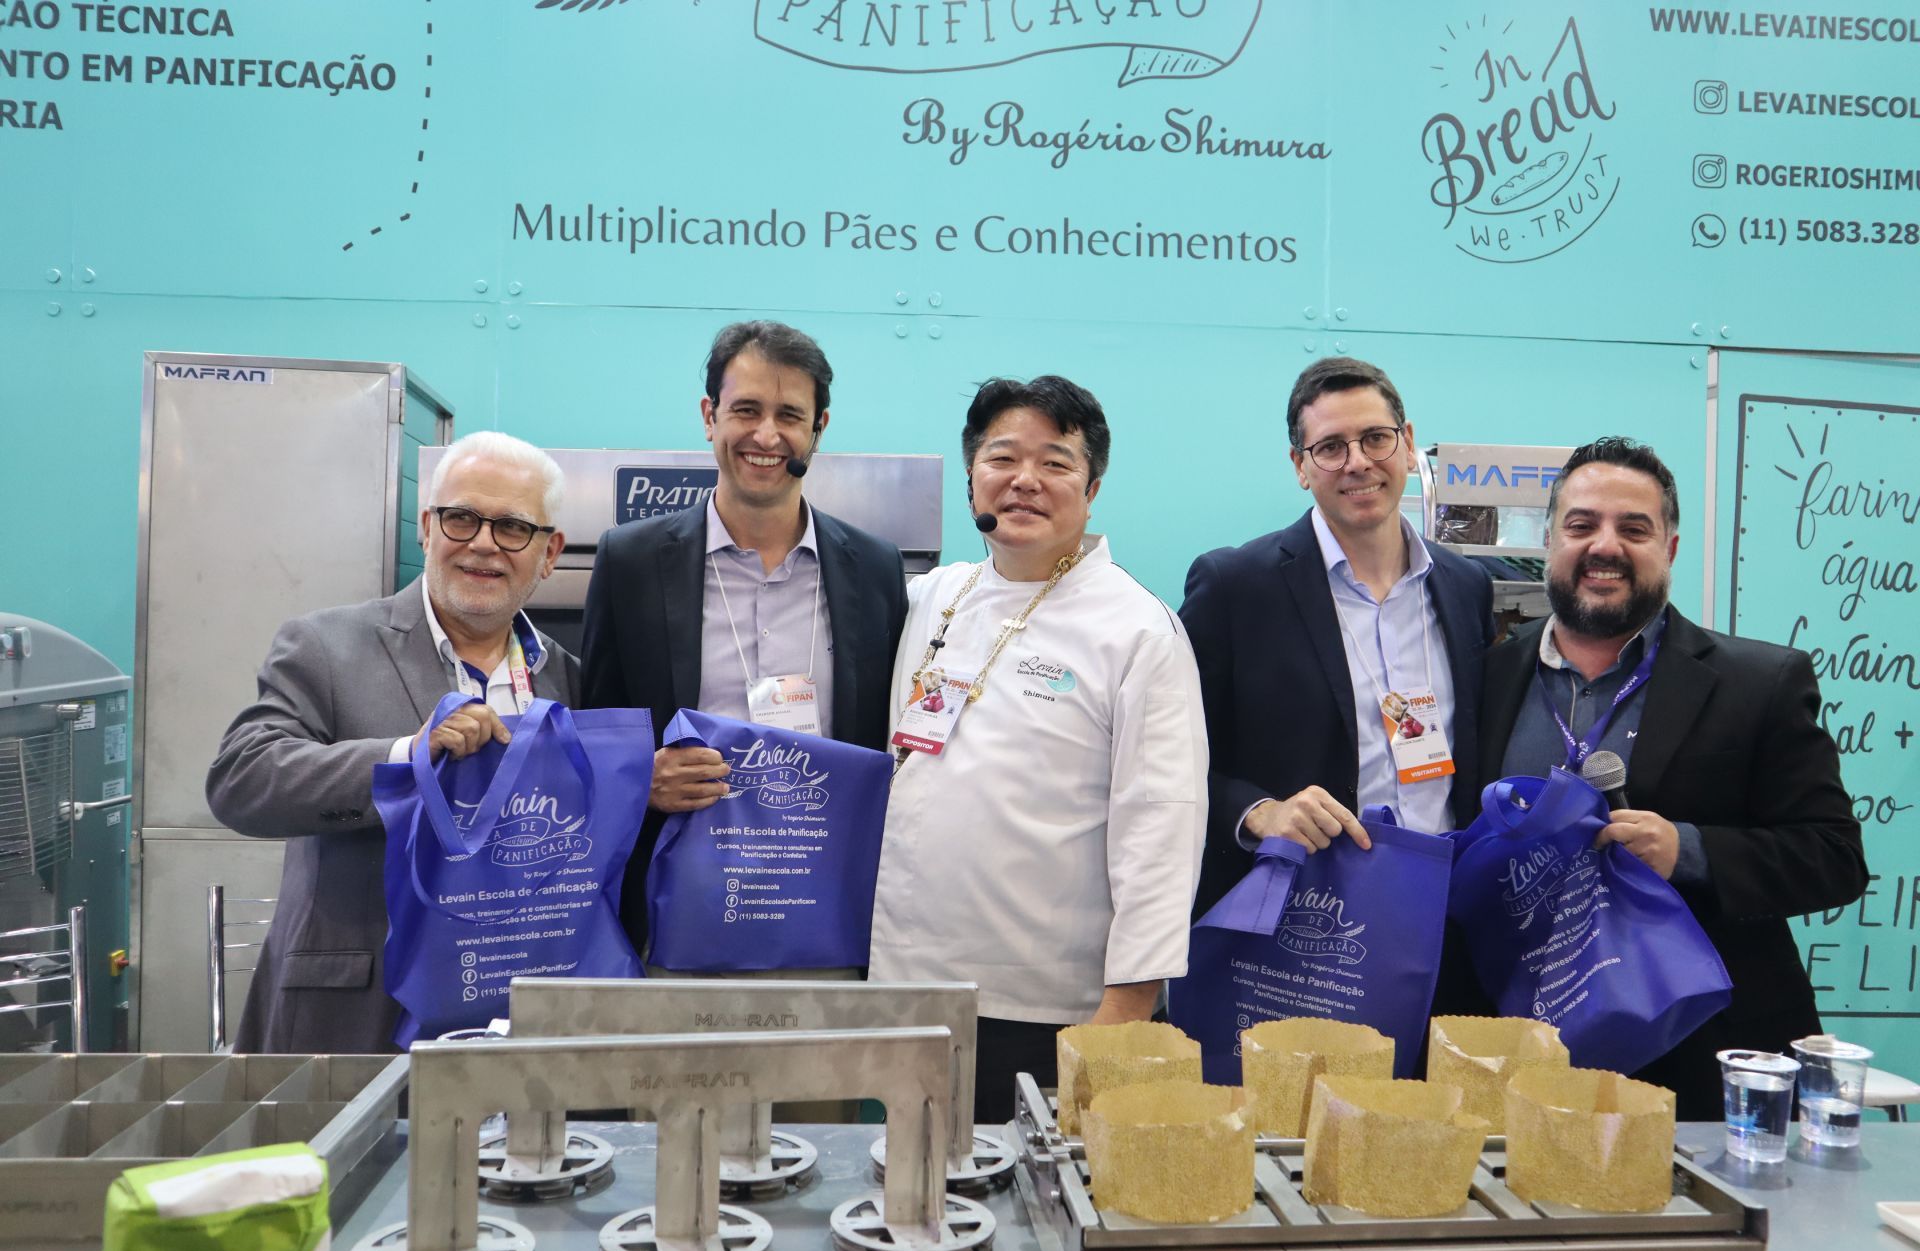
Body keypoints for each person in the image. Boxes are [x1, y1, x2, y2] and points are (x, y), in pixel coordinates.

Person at [1477, 436, 1867, 1118]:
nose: (1605, 546)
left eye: (1634, 529)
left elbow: (1834, 858)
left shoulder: (1761, 684)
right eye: (1582, 525)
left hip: (1698, 1062)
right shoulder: (1486, 677)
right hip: (1519, 1052)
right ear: (1550, 542)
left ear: (1671, 550)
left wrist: (1685, 850)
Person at [869, 375, 1209, 1121]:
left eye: (1055, 463)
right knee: (916, 1208)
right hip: (909, 990)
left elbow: (1163, 825)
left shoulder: (1137, 629)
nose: (1024, 480)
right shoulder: (935, 598)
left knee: (1034, 1224)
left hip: (1053, 1010)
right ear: (970, 482)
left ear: (1091, 490)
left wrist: (1128, 1006)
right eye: (1002, 459)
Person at [206, 431, 577, 1053]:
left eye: (512, 527)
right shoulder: (325, 646)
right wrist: (408, 755)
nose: (483, 543)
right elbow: (241, 778)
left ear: (548, 552)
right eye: (462, 519)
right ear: (427, 528)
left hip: (520, 1014)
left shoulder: (568, 676)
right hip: (355, 1020)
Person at [579, 320, 907, 964]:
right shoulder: (632, 562)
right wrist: (635, 781)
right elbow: (596, 730)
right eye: (747, 410)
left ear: (819, 429)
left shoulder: (875, 569)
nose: (767, 435)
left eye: (791, 415)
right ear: (710, 415)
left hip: (832, 915)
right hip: (672, 914)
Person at [1181, 357, 1494, 920]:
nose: (1358, 463)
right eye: (1330, 447)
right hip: (1300, 918)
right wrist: (1259, 812)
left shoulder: (1466, 586)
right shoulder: (1236, 587)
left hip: (1445, 913)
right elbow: (1172, 757)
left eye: (1376, 438)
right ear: (1301, 466)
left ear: (1408, 444)